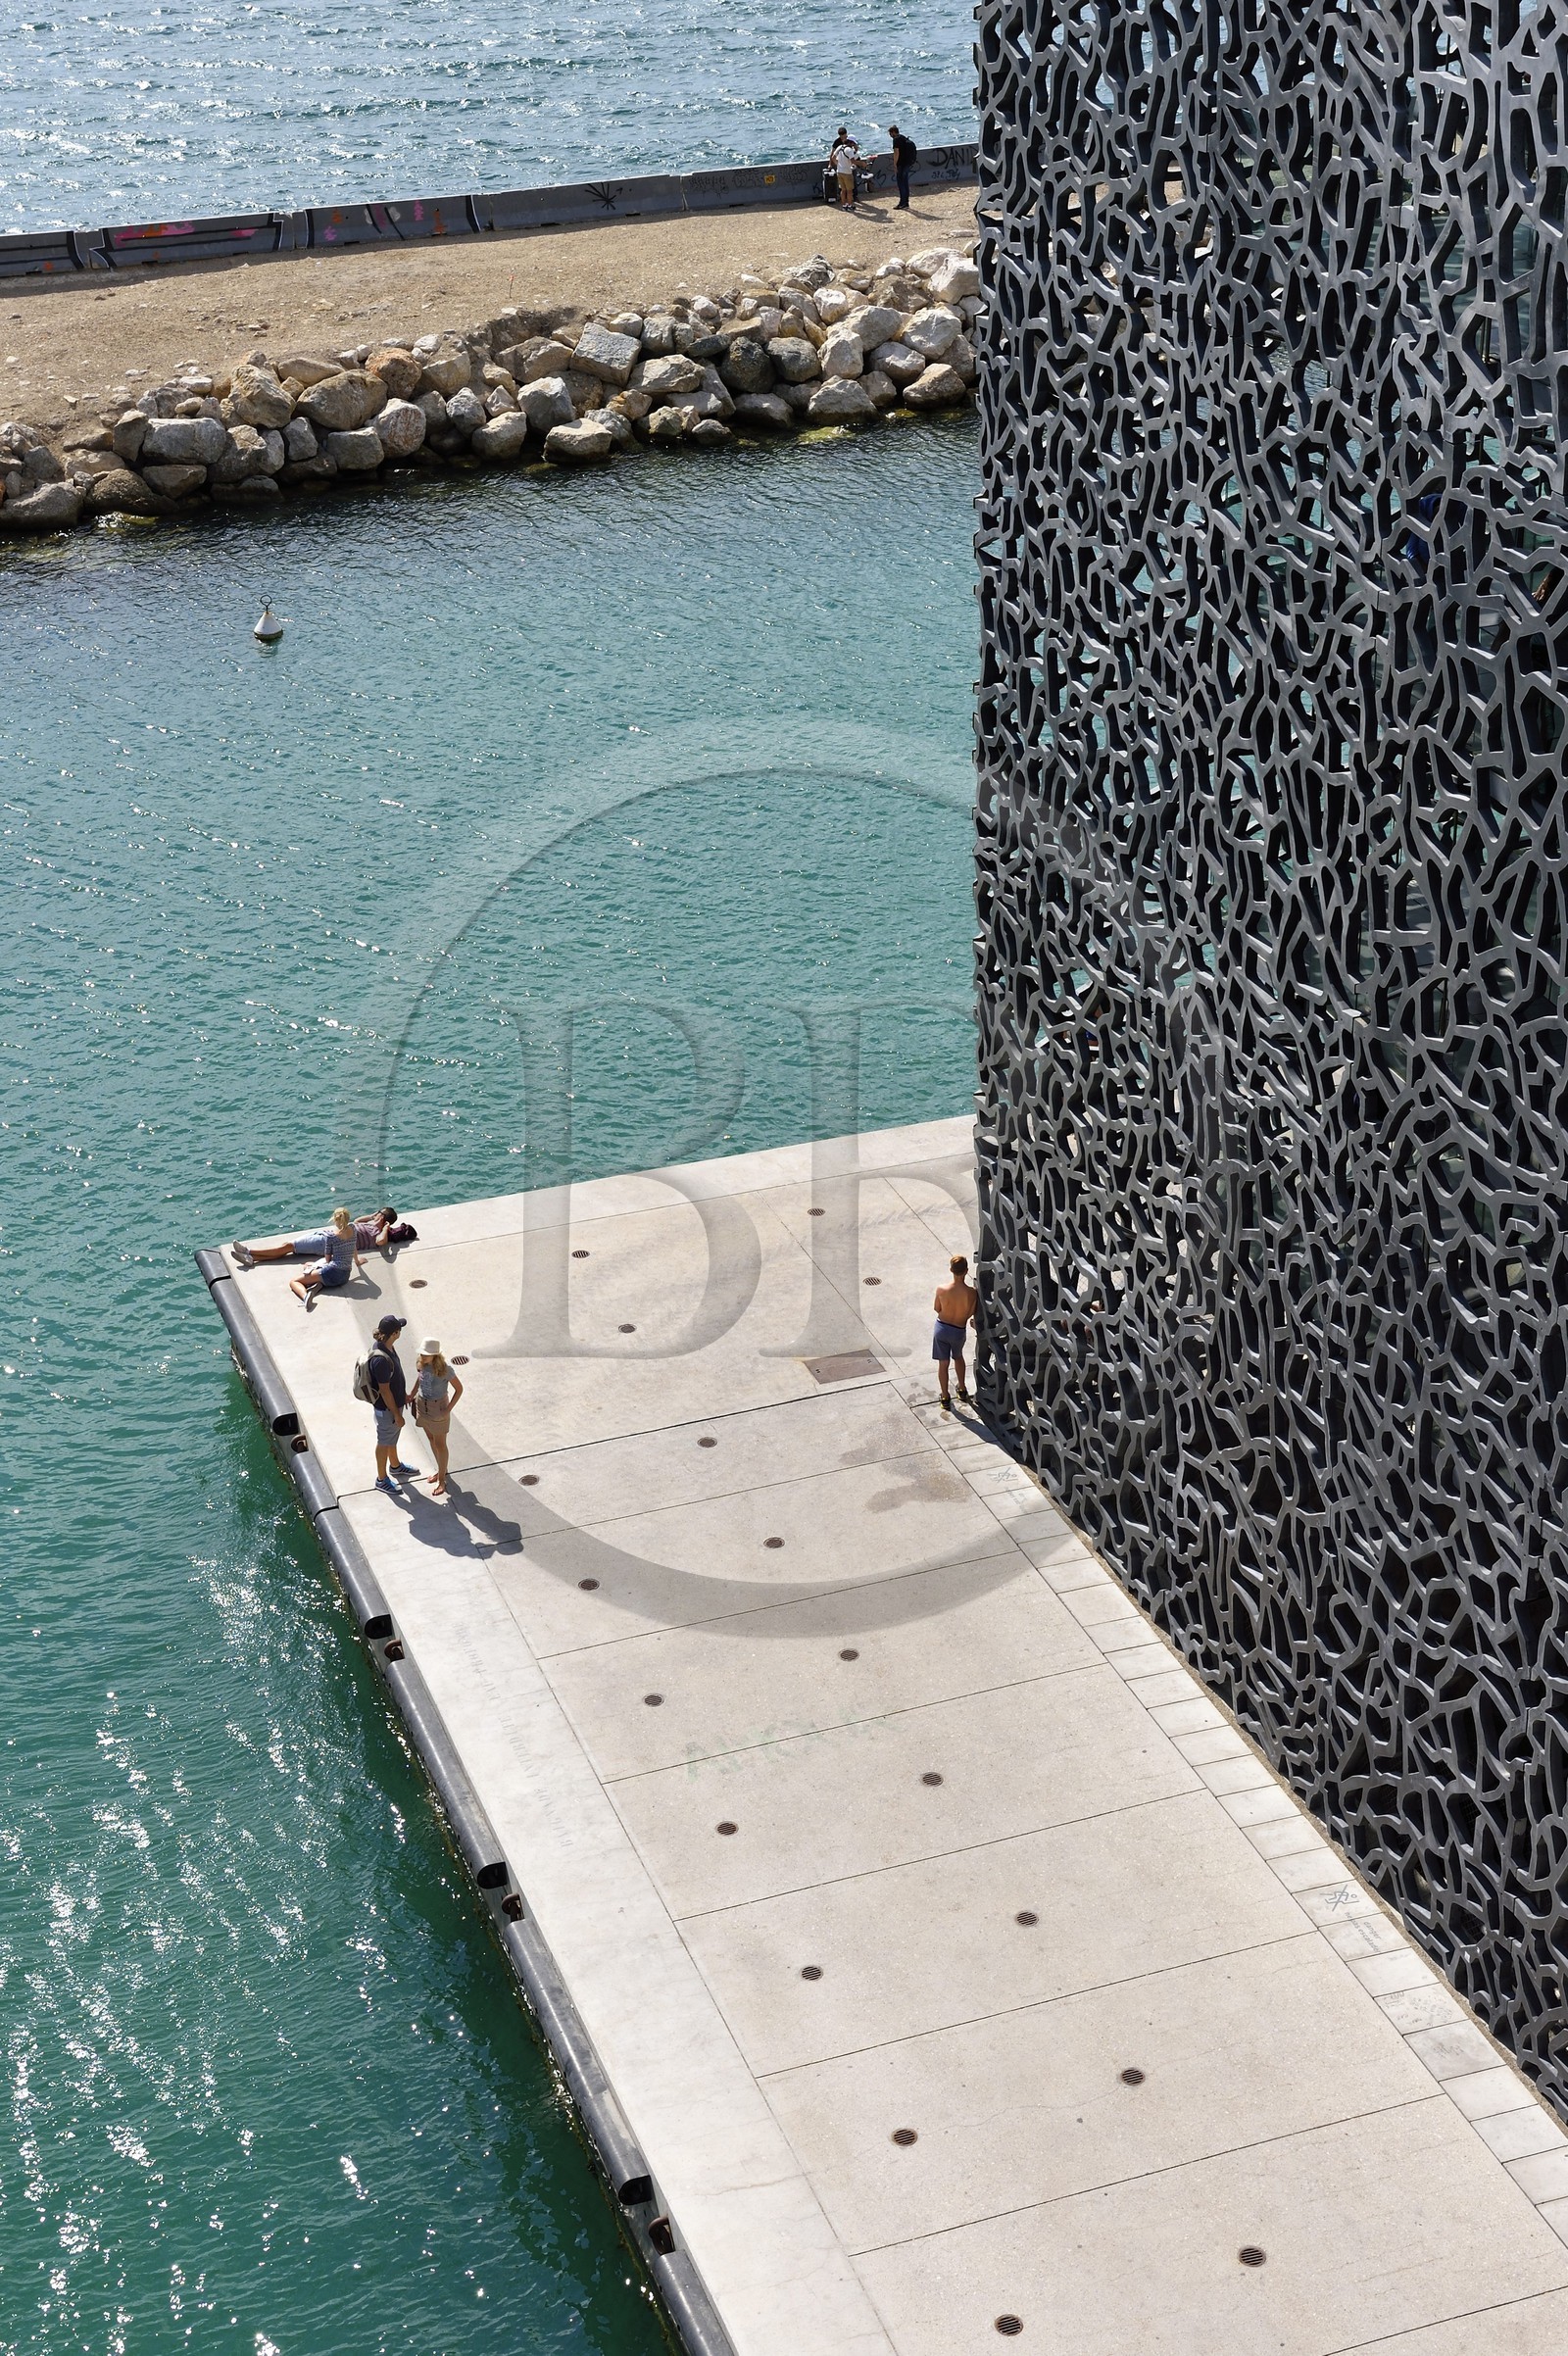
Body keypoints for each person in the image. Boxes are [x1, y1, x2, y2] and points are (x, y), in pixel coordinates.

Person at [367, 1313, 417, 1493]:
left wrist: (403, 1395)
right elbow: (385, 1390)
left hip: (394, 1405)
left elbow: (395, 1378)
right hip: (387, 1409)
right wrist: (397, 1414)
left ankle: (395, 1466)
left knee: (391, 1438)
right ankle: (381, 1480)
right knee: (384, 1441)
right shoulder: (380, 1359)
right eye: (399, 1329)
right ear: (395, 1333)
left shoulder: (387, 1347)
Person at [410, 1337, 465, 1497]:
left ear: (435, 1355)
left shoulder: (445, 1369)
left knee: (440, 1445)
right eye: (422, 1353)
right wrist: (412, 1394)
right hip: (422, 1405)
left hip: (438, 1408)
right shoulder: (421, 1363)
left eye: (426, 1354)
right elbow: (420, 1379)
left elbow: (459, 1389)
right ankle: (441, 1469)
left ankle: (442, 1480)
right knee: (430, 1439)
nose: (423, 1356)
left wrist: (447, 1409)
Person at [285, 1206, 363, 1306]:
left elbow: (327, 1259)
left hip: (332, 1272)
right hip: (345, 1276)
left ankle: (305, 1298)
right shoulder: (353, 1229)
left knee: (294, 1281)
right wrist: (357, 1261)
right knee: (308, 1265)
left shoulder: (331, 1236)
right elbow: (353, 1247)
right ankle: (318, 1284)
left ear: (335, 1219)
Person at [932, 1252, 978, 1410]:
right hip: (959, 1330)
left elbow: (936, 1308)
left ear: (951, 1270)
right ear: (966, 1271)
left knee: (943, 1363)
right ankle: (962, 1389)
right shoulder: (972, 1293)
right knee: (958, 1357)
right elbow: (971, 1312)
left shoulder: (941, 1289)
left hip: (942, 1328)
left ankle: (945, 1397)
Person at [829, 126, 860, 210]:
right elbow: (832, 154)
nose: (843, 138)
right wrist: (832, 164)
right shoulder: (839, 143)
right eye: (841, 136)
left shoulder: (844, 144)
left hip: (842, 169)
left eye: (844, 136)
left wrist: (838, 164)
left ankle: (847, 203)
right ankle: (849, 204)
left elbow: (833, 156)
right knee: (848, 189)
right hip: (846, 169)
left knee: (845, 188)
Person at [888, 123, 917, 211]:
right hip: (907, 163)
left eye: (890, 133)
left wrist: (895, 164)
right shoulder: (903, 137)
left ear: (893, 132)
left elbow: (896, 153)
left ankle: (902, 203)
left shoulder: (896, 140)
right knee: (905, 183)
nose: (890, 135)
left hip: (901, 164)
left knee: (901, 183)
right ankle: (906, 202)